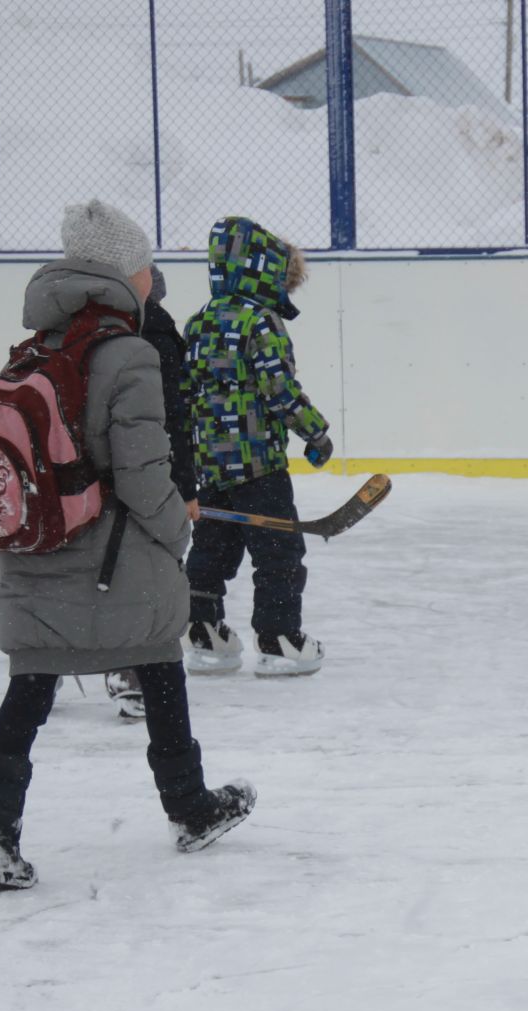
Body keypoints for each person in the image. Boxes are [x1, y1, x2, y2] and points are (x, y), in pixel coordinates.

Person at [0, 199, 255, 890]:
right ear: (127, 273)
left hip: (40, 548)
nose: (154, 276)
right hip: (114, 551)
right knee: (159, 661)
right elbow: (142, 468)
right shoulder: (129, 352)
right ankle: (189, 807)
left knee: (31, 685)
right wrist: (177, 524)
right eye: (148, 264)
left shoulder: (40, 345)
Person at [180, 216, 333, 678]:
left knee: (211, 550)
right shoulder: (260, 323)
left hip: (210, 467)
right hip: (259, 466)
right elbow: (280, 391)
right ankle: (279, 639)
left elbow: (184, 396)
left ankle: (204, 634)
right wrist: (316, 432)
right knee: (278, 552)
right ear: (263, 271)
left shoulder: (199, 321)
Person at [106, 264, 198, 720]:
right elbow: (174, 420)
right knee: (151, 571)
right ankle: (139, 675)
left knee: (111, 569)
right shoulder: (157, 335)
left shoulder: (94, 332)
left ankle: (109, 664)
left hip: (100, 477)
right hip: (149, 476)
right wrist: (185, 487)